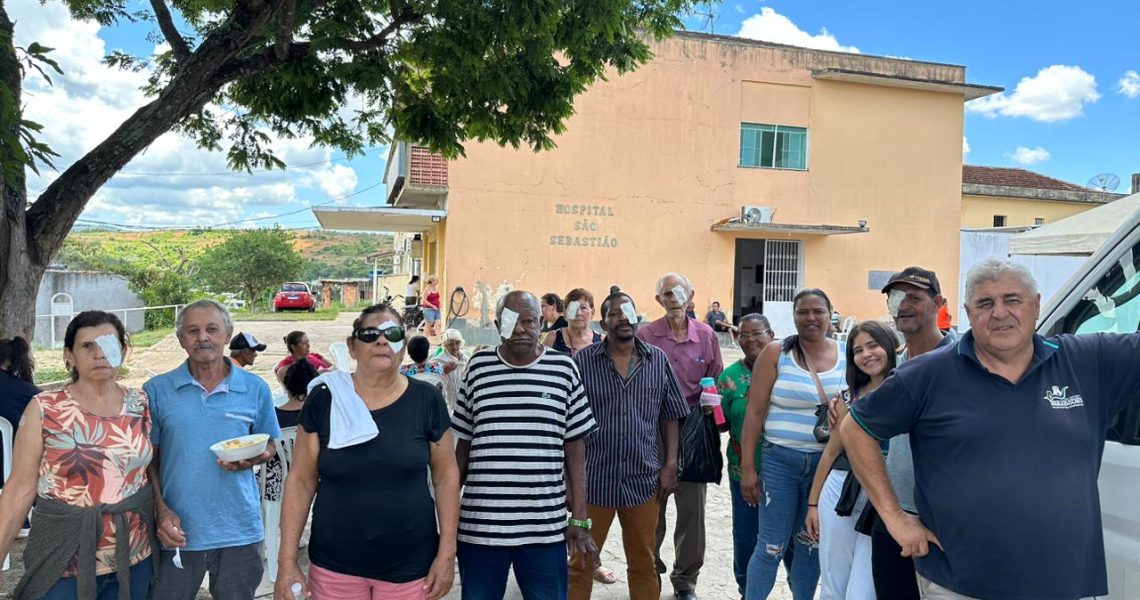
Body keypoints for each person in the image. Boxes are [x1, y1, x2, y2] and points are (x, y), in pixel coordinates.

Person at [842, 257, 1140, 600]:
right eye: (986, 303)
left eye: (1013, 299)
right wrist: (895, 518)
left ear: (1036, 304)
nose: (1000, 313)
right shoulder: (927, 375)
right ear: (969, 312)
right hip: (958, 585)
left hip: (1061, 583)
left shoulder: (1089, 361)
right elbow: (856, 428)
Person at [275, 304, 460, 600]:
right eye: (370, 333)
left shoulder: (427, 399)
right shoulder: (324, 399)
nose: (382, 340)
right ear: (352, 346)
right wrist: (286, 562)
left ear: (403, 345)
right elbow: (300, 481)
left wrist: (447, 553)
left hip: (411, 565)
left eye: (393, 333)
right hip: (335, 564)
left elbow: (446, 476)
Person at [452, 291, 599, 600]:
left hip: (544, 528)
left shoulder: (564, 369)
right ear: (496, 324)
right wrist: (448, 515)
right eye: (510, 321)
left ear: (540, 323)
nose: (520, 329)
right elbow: (462, 448)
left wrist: (580, 518)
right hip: (480, 527)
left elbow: (576, 450)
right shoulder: (478, 368)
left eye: (529, 321)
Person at [0, 311, 155, 599]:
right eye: (87, 346)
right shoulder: (46, 408)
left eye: (107, 345)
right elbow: (20, 488)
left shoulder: (141, 403)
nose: (98, 354)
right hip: (63, 555)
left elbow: (150, 471)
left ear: (122, 351)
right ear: (69, 356)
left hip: (133, 555)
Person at [144, 299, 280, 600]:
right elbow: (148, 461)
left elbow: (269, 443)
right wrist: (160, 510)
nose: (203, 337)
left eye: (212, 329)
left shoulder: (255, 388)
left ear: (227, 334)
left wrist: (256, 457)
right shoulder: (157, 390)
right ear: (181, 339)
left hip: (240, 527)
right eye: (192, 330)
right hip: (176, 529)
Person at [568, 292, 690, 600]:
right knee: (581, 561)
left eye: (628, 312)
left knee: (644, 563)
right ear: (603, 322)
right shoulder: (582, 362)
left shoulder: (657, 360)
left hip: (642, 481)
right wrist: (569, 481)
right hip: (594, 481)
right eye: (615, 314)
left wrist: (670, 465)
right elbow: (567, 425)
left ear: (638, 318)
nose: (623, 318)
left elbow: (671, 415)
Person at [738, 288, 846, 600]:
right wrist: (748, 468)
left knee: (809, 545)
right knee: (770, 546)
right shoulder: (776, 352)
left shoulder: (846, 353)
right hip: (780, 463)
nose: (811, 318)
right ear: (794, 316)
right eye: (803, 312)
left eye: (818, 311)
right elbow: (755, 412)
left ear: (830, 314)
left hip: (824, 467)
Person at [859, 266, 955, 600]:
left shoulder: (962, 361)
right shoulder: (891, 365)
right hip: (893, 515)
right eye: (897, 297)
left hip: (942, 518)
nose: (903, 305)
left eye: (914, 297)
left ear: (938, 303)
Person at [636, 272, 723, 600]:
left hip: (693, 430)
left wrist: (714, 411)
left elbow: (713, 380)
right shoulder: (646, 335)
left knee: (692, 511)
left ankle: (685, 580)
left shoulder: (706, 335)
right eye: (666, 294)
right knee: (651, 506)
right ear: (659, 300)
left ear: (690, 295)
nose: (673, 299)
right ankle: (648, 570)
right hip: (653, 430)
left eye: (678, 292)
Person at [805, 321, 898, 600]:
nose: (866, 354)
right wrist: (812, 504)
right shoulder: (849, 397)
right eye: (858, 350)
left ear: (890, 347)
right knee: (833, 584)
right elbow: (831, 452)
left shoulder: (908, 391)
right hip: (840, 490)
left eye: (873, 345)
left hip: (885, 494)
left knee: (864, 590)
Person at [717, 314, 783, 599]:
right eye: (744, 335)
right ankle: (747, 591)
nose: (750, 340)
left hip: (787, 472)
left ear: (771, 334)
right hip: (743, 472)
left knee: (790, 539)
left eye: (757, 333)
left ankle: (796, 587)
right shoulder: (729, 378)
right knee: (746, 538)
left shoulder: (788, 370)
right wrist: (711, 411)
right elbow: (721, 425)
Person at [263, 360, 319, 504]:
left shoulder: (272, 417)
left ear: (286, 386)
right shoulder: (321, 416)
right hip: (314, 483)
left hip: (276, 487)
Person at [544, 288, 602, 355]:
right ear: (565, 313)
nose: (578, 313)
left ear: (592, 313)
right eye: (573, 308)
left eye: (583, 307)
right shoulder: (552, 338)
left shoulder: (602, 341)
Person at [429, 329, 470, 406]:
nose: (454, 347)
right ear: (445, 345)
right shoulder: (438, 361)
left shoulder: (466, 358)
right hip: (448, 404)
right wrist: (442, 371)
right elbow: (431, 382)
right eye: (451, 344)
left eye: (457, 343)